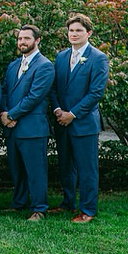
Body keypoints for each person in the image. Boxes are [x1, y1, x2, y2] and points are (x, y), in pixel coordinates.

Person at [49, 13, 109, 222]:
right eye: (71, 31)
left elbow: (95, 93)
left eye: (78, 31)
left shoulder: (98, 58)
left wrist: (72, 114)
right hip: (61, 122)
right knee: (65, 166)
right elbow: (54, 88)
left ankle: (88, 210)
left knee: (87, 169)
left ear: (88, 33)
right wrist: (58, 110)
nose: (74, 34)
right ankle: (67, 203)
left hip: (83, 123)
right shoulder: (61, 57)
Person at [0, 25, 54, 221]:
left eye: (26, 39)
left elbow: (35, 96)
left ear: (37, 40)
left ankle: (39, 208)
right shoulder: (13, 65)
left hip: (32, 129)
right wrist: (4, 112)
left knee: (35, 170)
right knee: (17, 169)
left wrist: (12, 115)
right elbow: (4, 90)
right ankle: (18, 203)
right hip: (13, 129)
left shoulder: (44, 66)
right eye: (20, 39)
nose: (22, 42)